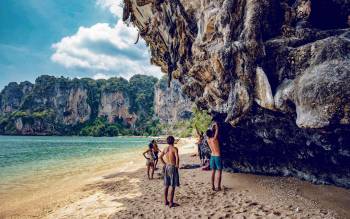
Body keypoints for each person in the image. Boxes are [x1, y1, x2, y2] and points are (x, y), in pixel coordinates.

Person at [159, 136, 180, 207]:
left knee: (166, 185)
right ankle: (171, 202)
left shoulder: (165, 148)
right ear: (173, 141)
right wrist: (177, 165)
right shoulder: (174, 149)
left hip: (167, 166)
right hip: (172, 167)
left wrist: (165, 164)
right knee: (173, 186)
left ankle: (165, 201)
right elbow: (177, 157)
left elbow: (160, 157)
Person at [206, 121, 222, 191]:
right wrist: (216, 125)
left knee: (213, 171)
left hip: (212, 156)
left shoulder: (208, 140)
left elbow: (212, 133)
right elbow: (217, 131)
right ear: (212, 133)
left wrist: (212, 127)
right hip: (217, 156)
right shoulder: (214, 139)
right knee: (219, 172)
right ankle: (218, 187)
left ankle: (212, 186)